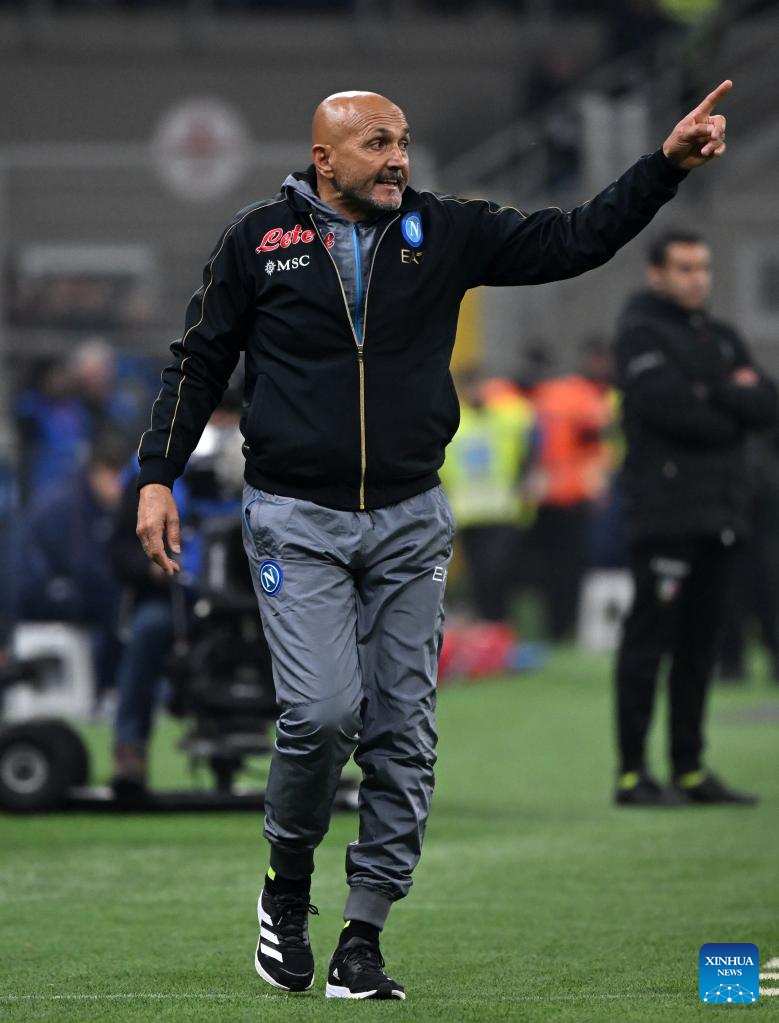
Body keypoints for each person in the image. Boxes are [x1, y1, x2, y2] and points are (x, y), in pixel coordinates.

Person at [135, 85, 731, 999]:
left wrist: (663, 167)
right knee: (322, 714)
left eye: (404, 141)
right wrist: (156, 475)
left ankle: (362, 936)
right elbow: (198, 360)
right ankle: (285, 887)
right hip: (296, 515)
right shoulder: (256, 238)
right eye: (377, 143)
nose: (398, 159)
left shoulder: (445, 229)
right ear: (324, 159)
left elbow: (574, 239)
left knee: (403, 730)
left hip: (410, 518)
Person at [613, 229, 777, 807]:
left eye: (703, 267)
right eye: (684, 268)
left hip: (722, 512)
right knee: (648, 640)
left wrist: (711, 391)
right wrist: (727, 398)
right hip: (665, 514)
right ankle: (633, 773)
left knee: (702, 644)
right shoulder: (640, 333)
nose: (697, 278)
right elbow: (674, 411)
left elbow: (767, 405)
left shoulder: (723, 336)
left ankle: (689, 768)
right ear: (656, 274)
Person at [439, 371, 538, 623]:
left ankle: (499, 620)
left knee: (499, 571)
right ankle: (488, 625)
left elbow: (533, 433)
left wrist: (529, 476)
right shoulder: (455, 423)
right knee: (478, 575)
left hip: (502, 510)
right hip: (468, 513)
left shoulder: (506, 417)